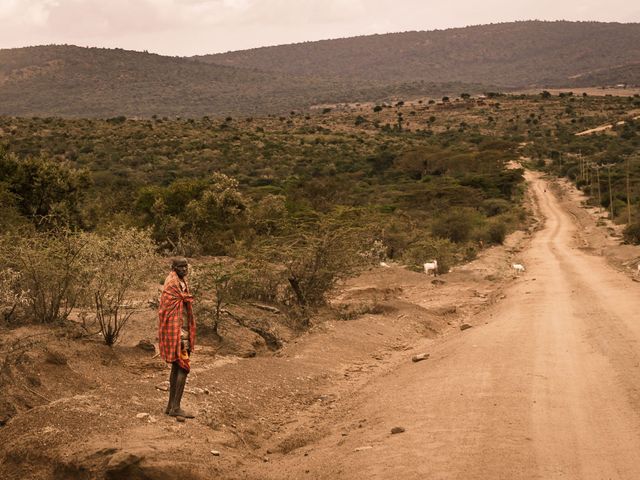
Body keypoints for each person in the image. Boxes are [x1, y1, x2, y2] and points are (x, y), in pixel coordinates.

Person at [158, 257, 196, 418]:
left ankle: (170, 406)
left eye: (186, 266)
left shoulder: (178, 281)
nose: (184, 269)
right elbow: (171, 309)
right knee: (183, 368)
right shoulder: (174, 283)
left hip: (179, 330)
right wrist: (180, 335)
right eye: (181, 267)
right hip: (178, 332)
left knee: (176, 367)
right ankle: (176, 408)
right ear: (174, 267)